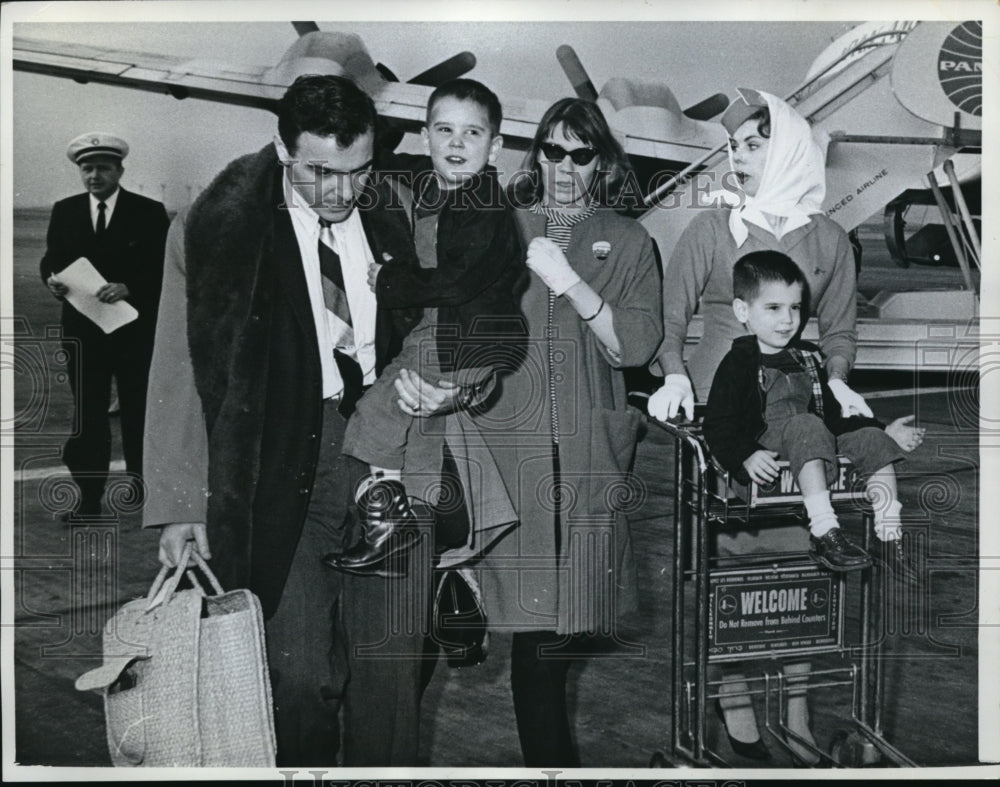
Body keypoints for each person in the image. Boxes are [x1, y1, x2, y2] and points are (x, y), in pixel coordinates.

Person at [142, 75, 444, 766]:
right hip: (279, 468)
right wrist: (180, 503)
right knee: (300, 679)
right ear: (282, 148)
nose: (342, 191)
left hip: (386, 460)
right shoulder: (216, 229)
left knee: (392, 678)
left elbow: (448, 329)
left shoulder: (394, 214)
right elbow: (177, 372)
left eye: (358, 170)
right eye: (321, 172)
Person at [645, 87, 878, 764]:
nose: (736, 157)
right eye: (733, 146)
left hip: (794, 421)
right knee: (728, 574)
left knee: (802, 571)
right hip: (724, 427)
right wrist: (674, 371)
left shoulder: (829, 238)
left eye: (753, 144)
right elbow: (671, 314)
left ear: (789, 151)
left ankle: (798, 715)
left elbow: (840, 327)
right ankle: (737, 709)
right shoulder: (712, 230)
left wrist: (835, 377)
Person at [465, 97, 662, 766]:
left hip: (582, 459)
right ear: (535, 154)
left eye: (581, 154)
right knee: (535, 638)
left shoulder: (631, 240)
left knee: (559, 631)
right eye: (553, 150)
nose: (565, 167)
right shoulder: (504, 227)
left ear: (602, 162)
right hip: (506, 451)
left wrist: (572, 283)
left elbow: (629, 347)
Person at [328, 78, 526, 574]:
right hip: (443, 336)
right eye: (445, 130)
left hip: (452, 340)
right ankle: (410, 545)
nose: (457, 144)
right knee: (422, 443)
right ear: (425, 137)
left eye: (473, 133)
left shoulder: (483, 202)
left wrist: (392, 279)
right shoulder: (440, 187)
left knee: (375, 416)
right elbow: (390, 165)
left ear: (496, 146)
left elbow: (458, 282)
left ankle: (389, 530)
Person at [703, 251, 924, 573]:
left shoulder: (808, 357)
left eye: (795, 307)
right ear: (742, 311)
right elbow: (719, 423)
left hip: (811, 442)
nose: (787, 319)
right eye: (774, 308)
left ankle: (888, 532)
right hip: (765, 456)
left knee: (869, 438)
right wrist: (745, 454)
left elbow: (833, 415)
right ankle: (824, 530)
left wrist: (882, 429)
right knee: (806, 423)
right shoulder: (738, 363)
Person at [40, 132, 169, 519]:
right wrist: (51, 279)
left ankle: (144, 488)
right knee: (89, 417)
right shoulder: (65, 210)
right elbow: (52, 259)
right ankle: (89, 499)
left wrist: (131, 286)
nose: (94, 175)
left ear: (119, 170)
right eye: (87, 168)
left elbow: (165, 268)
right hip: (84, 332)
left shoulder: (148, 211)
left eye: (102, 167)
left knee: (139, 413)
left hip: (134, 332)